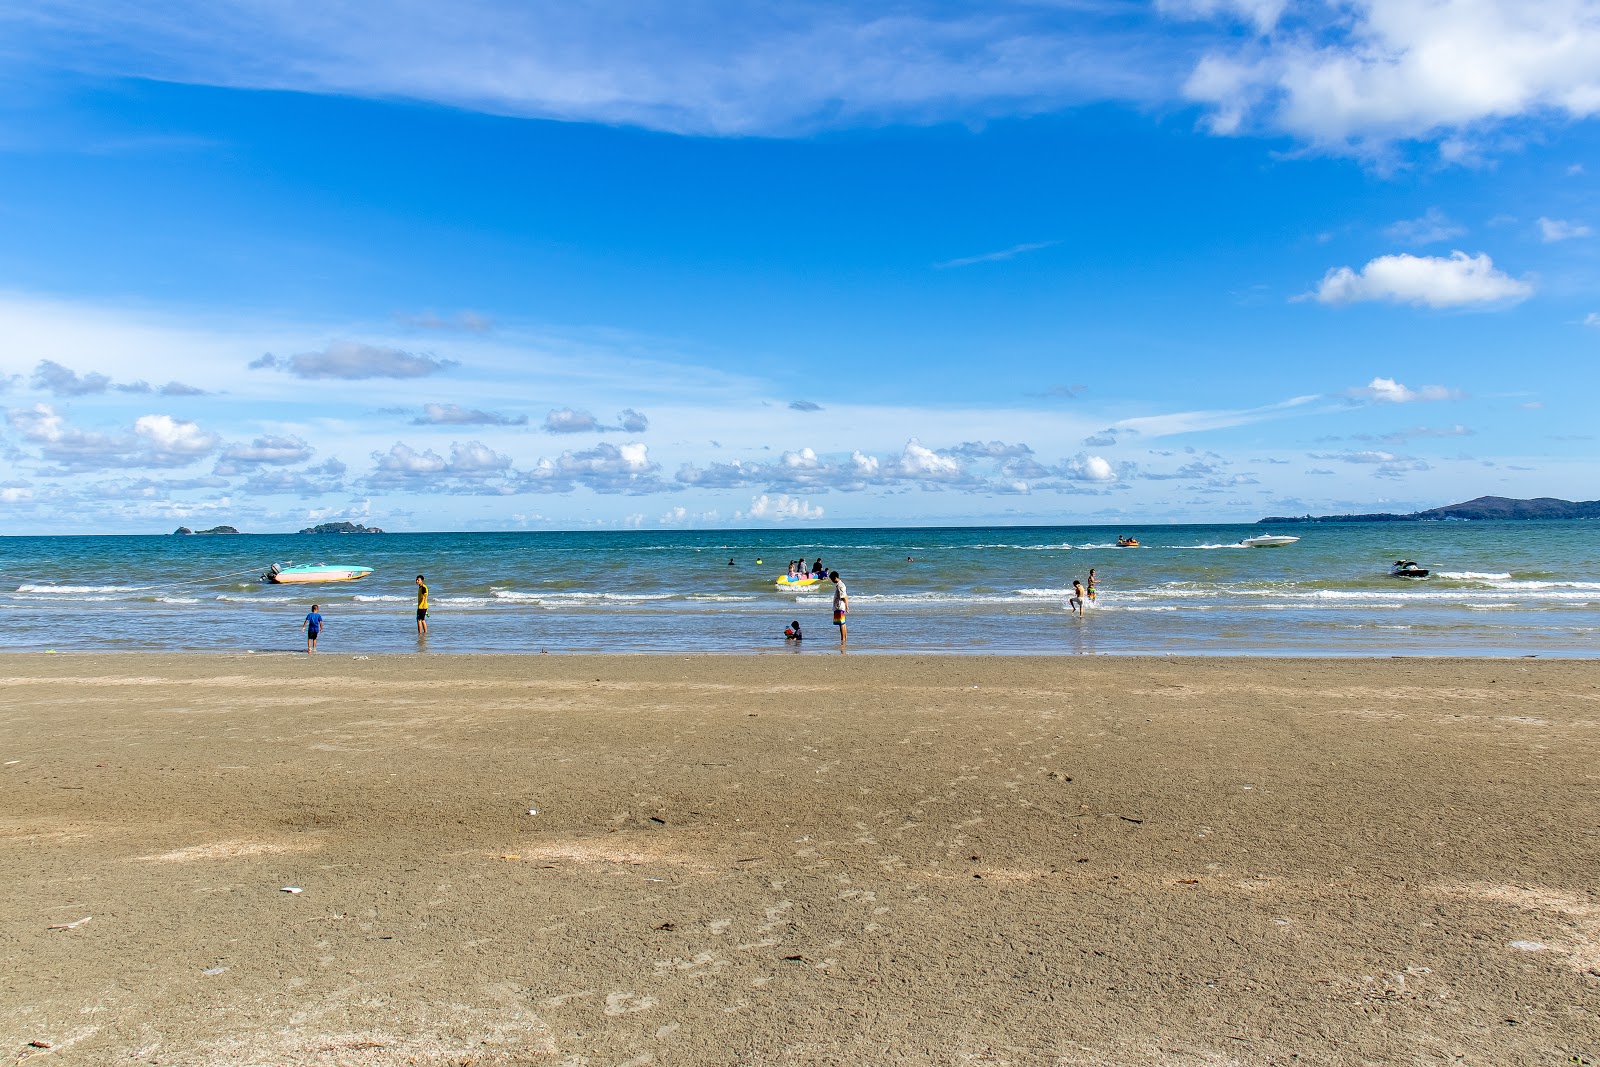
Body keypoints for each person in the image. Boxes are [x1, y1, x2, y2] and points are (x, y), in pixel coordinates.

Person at [830, 570, 848, 644]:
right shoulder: (840, 585)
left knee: (841, 623)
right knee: (842, 623)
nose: (832, 581)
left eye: (832, 579)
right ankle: (844, 638)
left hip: (839, 606)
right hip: (840, 605)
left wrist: (847, 606)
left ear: (835, 578)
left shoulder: (840, 586)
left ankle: (843, 638)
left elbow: (843, 597)